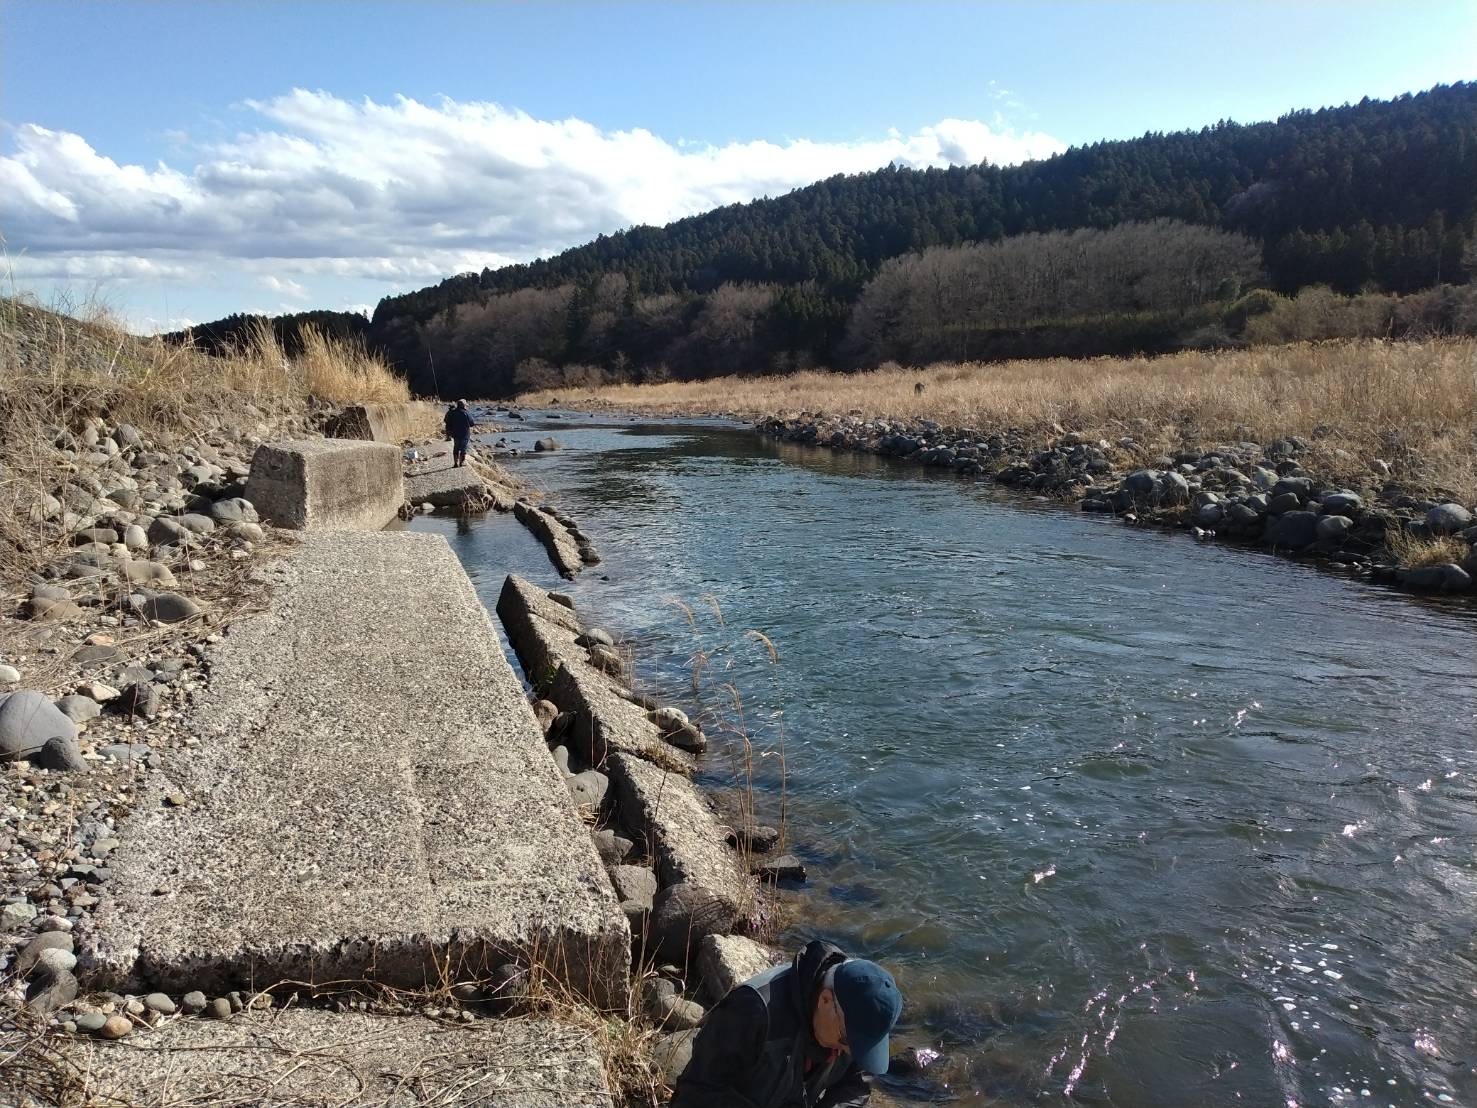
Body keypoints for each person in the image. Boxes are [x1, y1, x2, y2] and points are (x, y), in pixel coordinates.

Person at [672, 939, 902, 1108]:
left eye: (862, 1048)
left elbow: (855, 1087)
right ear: (825, 1000)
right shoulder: (752, 1010)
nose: (849, 1051)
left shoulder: (859, 1021)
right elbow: (695, 1093)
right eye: (846, 1039)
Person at [443, 399, 474, 467]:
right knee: (463, 448)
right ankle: (461, 463)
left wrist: (449, 433)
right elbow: (472, 423)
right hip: (465, 434)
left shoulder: (452, 413)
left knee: (456, 447)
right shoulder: (466, 412)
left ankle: (455, 463)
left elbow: (448, 423)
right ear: (464, 405)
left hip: (455, 433)